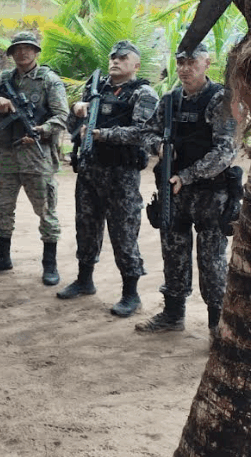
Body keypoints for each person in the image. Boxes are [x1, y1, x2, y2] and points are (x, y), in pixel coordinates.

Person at [133, 42, 239, 334]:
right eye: (180, 62)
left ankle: (217, 324)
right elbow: (146, 132)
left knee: (212, 261)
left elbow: (224, 153)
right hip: (174, 192)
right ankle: (172, 315)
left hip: (210, 194)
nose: (184, 68)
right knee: (174, 253)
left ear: (207, 63)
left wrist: (188, 175)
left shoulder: (219, 100)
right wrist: (159, 147)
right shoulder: (169, 100)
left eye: (192, 62)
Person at [56, 41, 159, 317]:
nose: (115, 61)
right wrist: (77, 112)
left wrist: (102, 133)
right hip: (90, 170)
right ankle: (84, 280)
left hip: (121, 176)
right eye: (113, 56)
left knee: (124, 233)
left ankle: (131, 294)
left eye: (123, 58)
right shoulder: (95, 89)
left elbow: (142, 132)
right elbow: (72, 127)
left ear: (135, 65)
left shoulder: (143, 93)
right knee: (86, 227)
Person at [0, 31, 68, 285]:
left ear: (36, 52)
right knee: (2, 207)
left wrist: (41, 130)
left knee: (46, 211)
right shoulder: (3, 79)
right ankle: (2, 257)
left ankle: (49, 265)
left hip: (37, 158)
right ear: (12, 54)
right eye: (17, 49)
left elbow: (62, 117)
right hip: (7, 156)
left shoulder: (48, 80)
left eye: (28, 48)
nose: (23, 53)